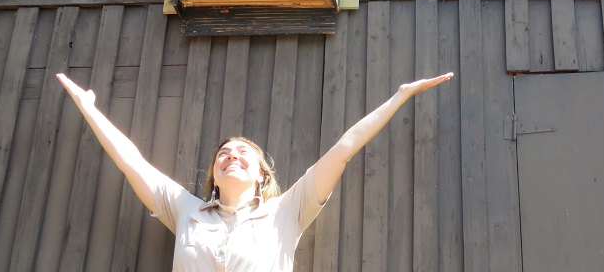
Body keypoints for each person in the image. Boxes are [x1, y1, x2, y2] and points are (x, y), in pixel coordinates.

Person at [56, 71, 453, 271]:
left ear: (261, 174)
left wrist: (399, 97)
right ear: (213, 174)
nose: (232, 155)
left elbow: (344, 149)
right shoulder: (184, 209)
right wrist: (89, 108)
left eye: (243, 152)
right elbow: (130, 160)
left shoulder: (288, 210)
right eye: (224, 153)